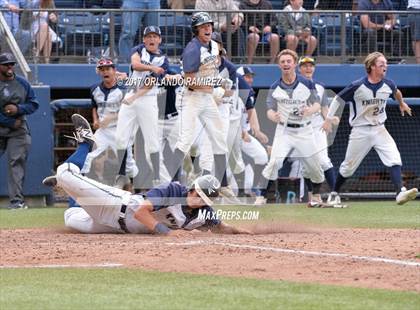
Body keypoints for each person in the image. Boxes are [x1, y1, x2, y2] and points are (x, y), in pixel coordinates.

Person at [42, 114, 250, 235]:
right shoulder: (174, 190)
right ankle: (85, 146)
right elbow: (142, 212)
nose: (199, 201)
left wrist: (251, 233)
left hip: (115, 228)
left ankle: (72, 182)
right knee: (65, 173)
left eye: (204, 200)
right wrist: (166, 232)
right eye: (198, 194)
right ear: (193, 188)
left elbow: (221, 227)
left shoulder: (203, 213)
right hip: (115, 205)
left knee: (70, 218)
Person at [323, 52, 418, 206]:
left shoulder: (388, 84)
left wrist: (401, 103)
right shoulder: (357, 86)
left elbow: (396, 92)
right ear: (372, 66)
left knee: (394, 158)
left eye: (385, 64)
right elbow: (338, 99)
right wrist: (328, 119)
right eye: (381, 64)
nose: (385, 66)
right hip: (360, 131)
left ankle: (400, 191)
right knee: (348, 167)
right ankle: (334, 192)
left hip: (380, 129)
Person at [168, 12, 232, 198]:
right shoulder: (192, 49)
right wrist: (212, 87)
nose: (207, 29)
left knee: (219, 138)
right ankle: (172, 183)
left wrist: (218, 81)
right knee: (186, 140)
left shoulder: (213, 46)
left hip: (206, 97)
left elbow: (211, 70)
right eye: (203, 26)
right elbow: (189, 81)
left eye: (209, 25)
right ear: (195, 30)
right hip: (192, 97)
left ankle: (223, 184)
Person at [258, 49, 326, 207]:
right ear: (279, 65)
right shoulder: (275, 87)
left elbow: (317, 103)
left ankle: (315, 195)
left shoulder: (307, 83)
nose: (286, 64)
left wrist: (311, 110)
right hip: (284, 131)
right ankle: (261, 196)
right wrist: (272, 116)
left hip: (304, 130)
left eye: (289, 61)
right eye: (282, 62)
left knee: (314, 166)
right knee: (274, 163)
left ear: (294, 64)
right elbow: (269, 109)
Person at [115, 26, 168, 188]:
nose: (152, 39)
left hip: (147, 100)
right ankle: (126, 174)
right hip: (130, 95)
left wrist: (135, 97)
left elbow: (149, 84)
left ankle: (163, 181)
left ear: (159, 39)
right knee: (120, 140)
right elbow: (136, 65)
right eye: (149, 36)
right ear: (144, 40)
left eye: (155, 36)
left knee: (152, 144)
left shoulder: (163, 60)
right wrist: (152, 68)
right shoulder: (138, 50)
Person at [80, 58, 138, 184]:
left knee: (129, 167)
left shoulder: (123, 89)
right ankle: (81, 187)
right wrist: (95, 120)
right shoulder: (94, 89)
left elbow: (129, 110)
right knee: (89, 157)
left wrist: (110, 118)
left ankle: (139, 191)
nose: (105, 72)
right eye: (102, 69)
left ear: (114, 70)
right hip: (103, 131)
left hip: (121, 130)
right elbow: (94, 106)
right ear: (98, 72)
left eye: (108, 69)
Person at [0, 53, 39, 209]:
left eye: (12, 64)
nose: (10, 67)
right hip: (7, 124)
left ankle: (17, 202)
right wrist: (8, 121)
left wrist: (18, 108)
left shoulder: (22, 83)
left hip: (18, 129)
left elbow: (34, 104)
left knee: (16, 163)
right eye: (6, 64)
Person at [297, 56, 335, 201]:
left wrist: (328, 120)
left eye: (310, 66)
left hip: (317, 125)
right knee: (306, 166)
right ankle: (312, 196)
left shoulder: (320, 86)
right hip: (301, 128)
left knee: (323, 161)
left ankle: (335, 193)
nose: (308, 68)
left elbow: (325, 108)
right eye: (305, 66)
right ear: (299, 69)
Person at [236, 66, 269, 204]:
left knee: (262, 156)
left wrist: (257, 130)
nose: (250, 79)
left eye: (251, 77)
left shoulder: (249, 92)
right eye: (246, 77)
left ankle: (255, 188)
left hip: (245, 134)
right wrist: (241, 131)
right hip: (230, 134)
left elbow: (251, 112)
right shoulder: (232, 92)